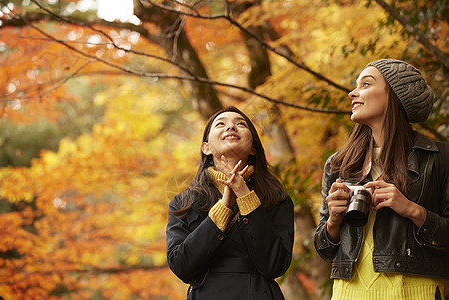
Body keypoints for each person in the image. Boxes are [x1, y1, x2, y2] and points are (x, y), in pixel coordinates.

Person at [314, 59, 449, 299]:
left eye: (366, 84)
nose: (352, 93)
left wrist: (410, 209)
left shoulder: (440, 159)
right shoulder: (338, 164)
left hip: (417, 290)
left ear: (395, 96)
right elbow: (324, 249)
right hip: (350, 291)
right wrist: (333, 220)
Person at [166, 106, 294, 299]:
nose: (231, 127)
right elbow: (181, 265)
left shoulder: (276, 198)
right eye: (221, 124)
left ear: (253, 148)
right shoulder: (184, 202)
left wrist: (245, 195)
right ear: (206, 148)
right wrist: (223, 208)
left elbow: (276, 265)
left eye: (240, 124)